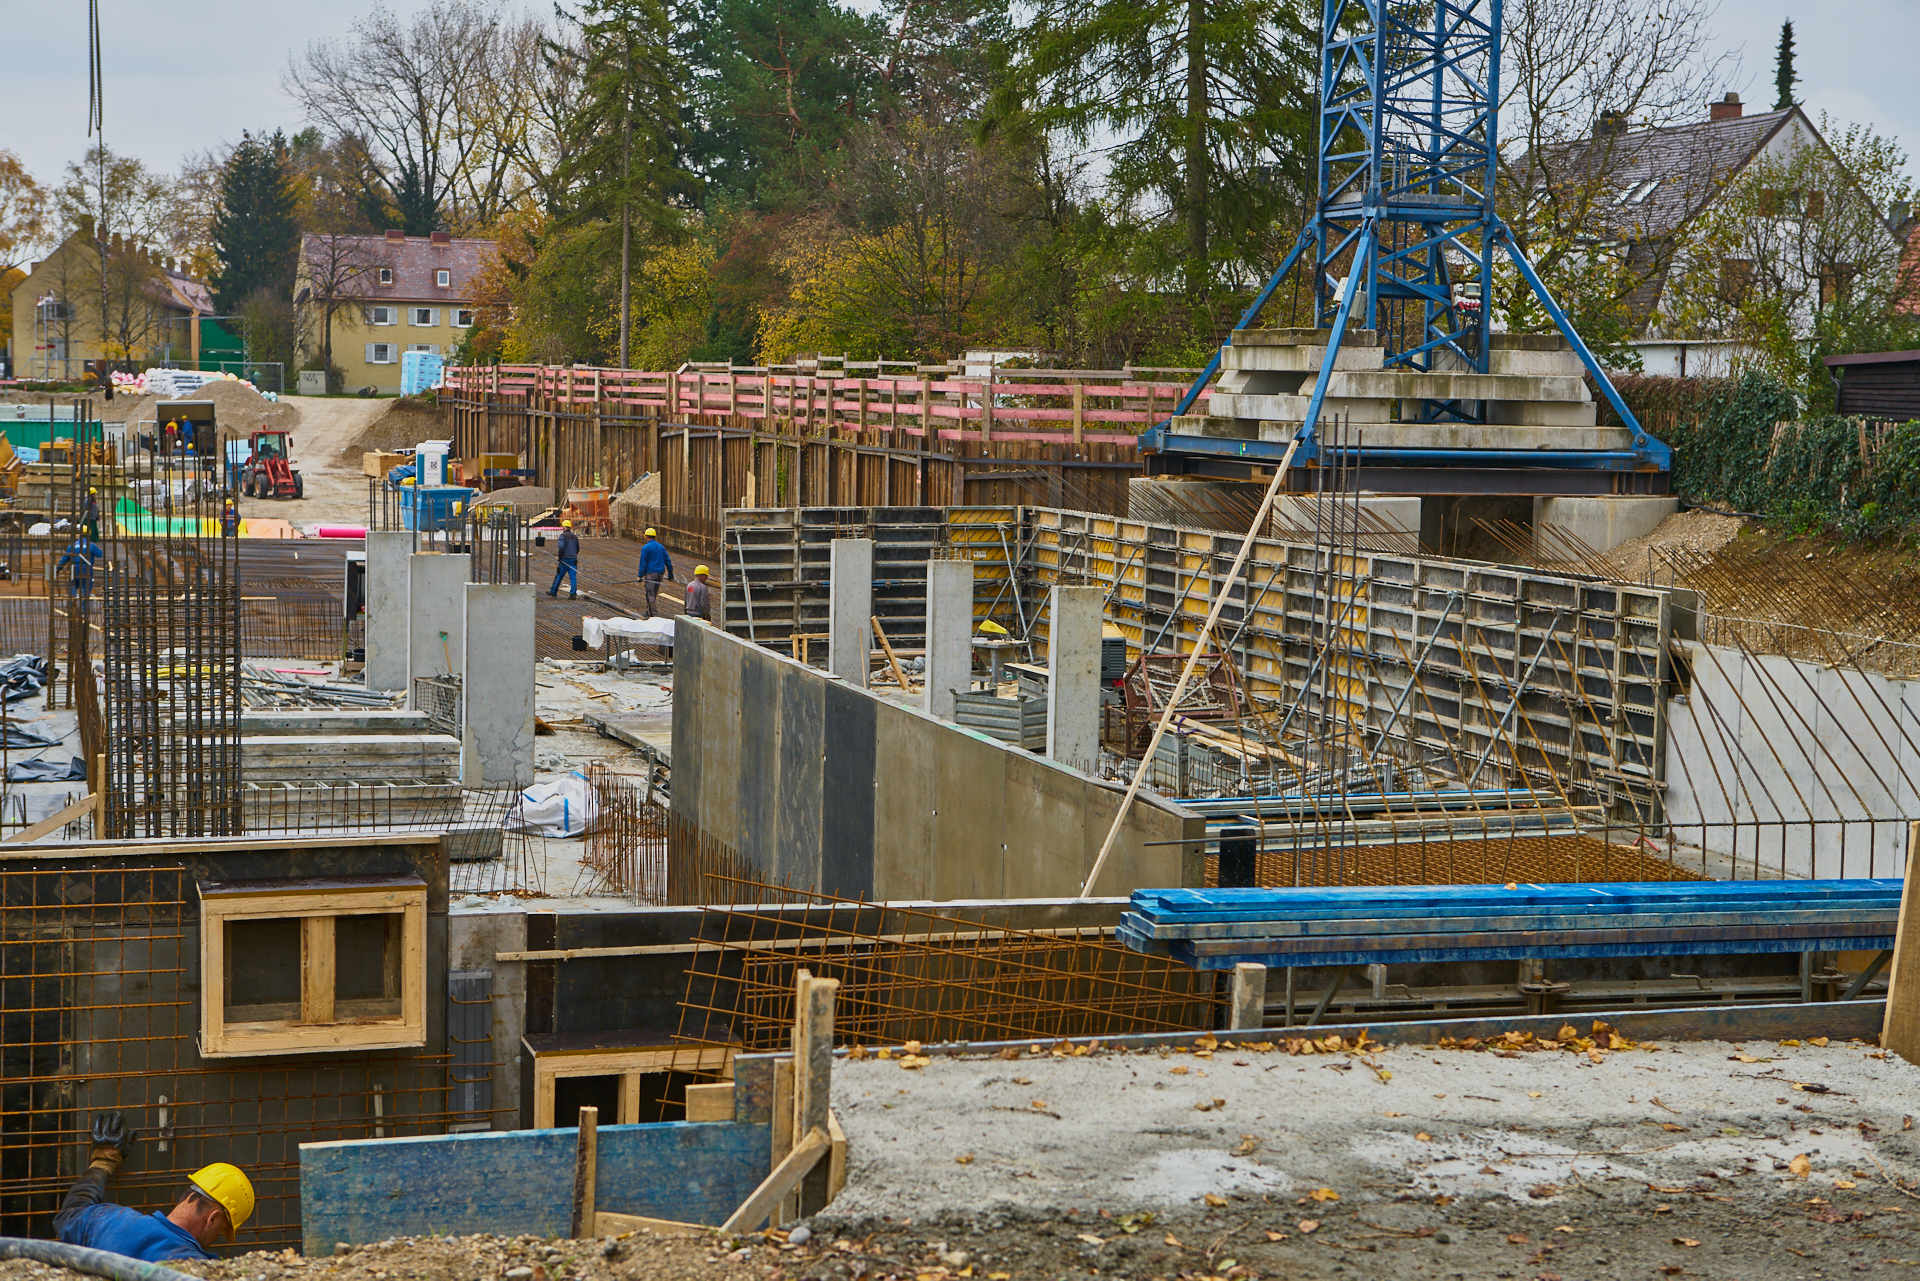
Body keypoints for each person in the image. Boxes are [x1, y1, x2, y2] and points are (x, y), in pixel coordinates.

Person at [53, 1111, 255, 1261]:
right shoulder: (198, 1267)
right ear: (213, 1218)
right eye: (222, 1230)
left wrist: (103, 1163)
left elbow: (70, 1214)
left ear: (188, 1197)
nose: (216, 1237)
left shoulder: (109, 1221)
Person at [637, 527, 673, 619]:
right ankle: (649, 612)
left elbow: (643, 562)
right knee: (653, 594)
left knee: (650, 594)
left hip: (650, 574)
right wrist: (670, 573)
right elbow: (667, 561)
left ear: (646, 537)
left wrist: (640, 575)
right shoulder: (661, 547)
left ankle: (654, 616)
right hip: (660, 574)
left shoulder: (646, 548)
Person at [58, 532, 103, 601]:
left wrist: (58, 569)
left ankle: (72, 603)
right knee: (86, 589)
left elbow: (64, 559)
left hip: (74, 568)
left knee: (72, 586)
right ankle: (84, 609)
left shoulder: (72, 545)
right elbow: (100, 554)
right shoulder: (91, 545)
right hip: (87, 568)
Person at [547, 519, 580, 598]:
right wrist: (574, 555)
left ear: (564, 527)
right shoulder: (574, 537)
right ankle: (573, 594)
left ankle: (553, 591)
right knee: (573, 577)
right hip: (573, 559)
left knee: (559, 575)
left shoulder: (562, 536)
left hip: (564, 560)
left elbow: (561, 548)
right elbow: (578, 548)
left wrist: (559, 557)